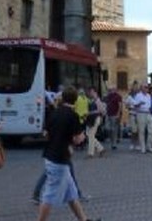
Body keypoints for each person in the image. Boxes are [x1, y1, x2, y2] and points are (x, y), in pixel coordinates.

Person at [35, 86, 98, 221]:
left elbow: (46, 133)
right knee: (49, 195)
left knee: (71, 193)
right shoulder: (72, 115)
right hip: (59, 159)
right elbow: (77, 139)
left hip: (50, 154)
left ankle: (84, 219)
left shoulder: (54, 112)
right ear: (75, 100)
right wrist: (82, 137)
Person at [103, 86, 122, 150]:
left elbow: (120, 106)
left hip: (114, 114)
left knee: (114, 129)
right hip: (108, 114)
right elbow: (105, 104)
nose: (112, 90)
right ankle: (112, 141)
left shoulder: (118, 96)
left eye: (113, 89)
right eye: (111, 89)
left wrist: (118, 114)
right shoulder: (108, 96)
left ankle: (113, 144)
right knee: (108, 128)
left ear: (116, 90)